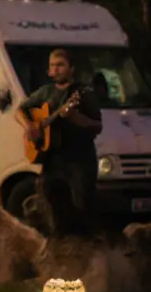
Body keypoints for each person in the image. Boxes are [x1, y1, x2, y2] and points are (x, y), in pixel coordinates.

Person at [14, 48, 103, 213]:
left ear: (71, 68)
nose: (55, 69)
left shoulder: (83, 93)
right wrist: (29, 126)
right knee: (50, 204)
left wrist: (78, 119)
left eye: (60, 65)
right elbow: (19, 110)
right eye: (52, 65)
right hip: (52, 159)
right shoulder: (45, 91)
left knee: (80, 206)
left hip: (78, 159)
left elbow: (98, 126)